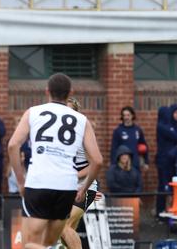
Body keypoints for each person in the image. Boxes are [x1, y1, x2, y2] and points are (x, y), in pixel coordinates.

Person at [7, 73, 102, 248]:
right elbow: (98, 160)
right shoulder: (82, 120)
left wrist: (20, 182)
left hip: (39, 182)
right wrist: (84, 187)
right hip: (66, 186)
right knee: (50, 241)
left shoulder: (33, 112)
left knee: (30, 243)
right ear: (70, 92)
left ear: (47, 91)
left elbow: (13, 145)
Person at [60, 97, 102, 249]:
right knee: (64, 231)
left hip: (83, 187)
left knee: (65, 226)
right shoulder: (59, 136)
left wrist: (74, 177)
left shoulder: (83, 134)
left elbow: (94, 165)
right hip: (66, 189)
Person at [156, 104, 177, 215]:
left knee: (173, 186)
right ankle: (160, 211)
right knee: (163, 187)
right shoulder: (161, 126)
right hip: (163, 161)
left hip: (173, 160)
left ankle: (172, 210)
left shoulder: (172, 126)